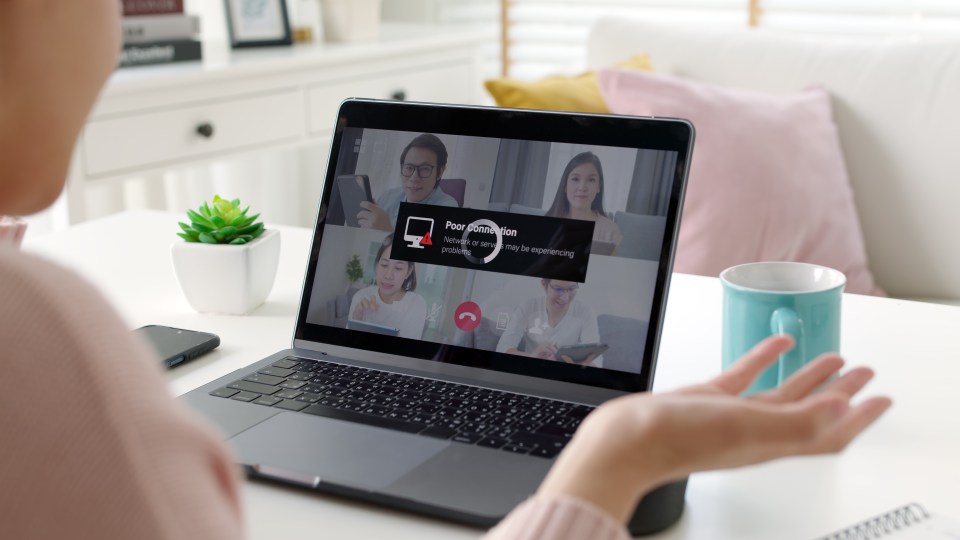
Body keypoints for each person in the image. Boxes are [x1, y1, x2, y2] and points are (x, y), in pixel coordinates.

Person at [1, 2, 891, 537]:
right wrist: (611, 463)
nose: (115, 28)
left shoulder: (588, 254)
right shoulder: (38, 330)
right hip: (352, 379)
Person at [357, 133, 458, 231]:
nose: (414, 178)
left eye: (425, 169)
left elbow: (429, 247)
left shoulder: (448, 209)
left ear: (440, 172)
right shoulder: (387, 197)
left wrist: (386, 231)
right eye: (409, 167)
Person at [496, 279, 603, 367]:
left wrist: (577, 365)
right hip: (530, 369)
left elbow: (596, 357)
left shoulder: (584, 311)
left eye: (571, 289)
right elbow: (502, 348)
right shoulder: (528, 306)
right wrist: (533, 356)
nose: (565, 297)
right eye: (558, 289)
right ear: (544, 284)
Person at [348, 234, 427, 339]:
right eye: (384, 265)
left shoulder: (416, 304)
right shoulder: (360, 297)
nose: (388, 275)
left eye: (398, 268)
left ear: (408, 272)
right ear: (377, 266)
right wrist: (356, 318)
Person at [545, 151, 623, 255]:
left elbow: (609, 269)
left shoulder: (609, 230)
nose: (582, 187)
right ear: (565, 186)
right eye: (575, 179)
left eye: (591, 180)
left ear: (598, 186)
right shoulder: (548, 221)